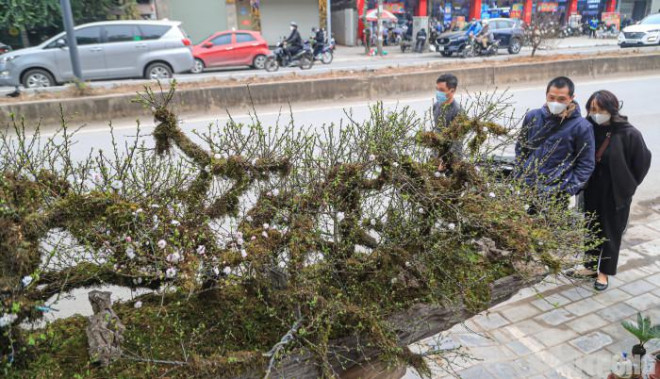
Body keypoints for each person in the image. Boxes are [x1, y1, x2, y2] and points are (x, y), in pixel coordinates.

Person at [581, 90, 651, 291]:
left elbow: (642, 162)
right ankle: (589, 267)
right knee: (592, 228)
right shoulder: (590, 128)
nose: (596, 113)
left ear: (611, 110)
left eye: (600, 110)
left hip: (616, 192)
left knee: (611, 232)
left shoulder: (629, 133)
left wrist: (627, 185)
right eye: (592, 109)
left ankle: (604, 273)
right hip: (593, 189)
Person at [514, 77, 595, 207]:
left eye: (561, 99)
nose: (555, 102)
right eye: (551, 98)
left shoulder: (582, 127)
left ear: (571, 98)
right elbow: (521, 149)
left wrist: (568, 190)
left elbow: (586, 163)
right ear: (546, 95)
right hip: (528, 189)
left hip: (558, 194)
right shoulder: (532, 117)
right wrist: (520, 177)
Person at [433, 74, 463, 167]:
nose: (438, 92)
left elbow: (457, 141)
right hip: (436, 155)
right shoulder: (436, 106)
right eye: (437, 89)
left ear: (452, 90)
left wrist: (446, 161)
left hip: (451, 160)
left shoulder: (458, 111)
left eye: (441, 90)